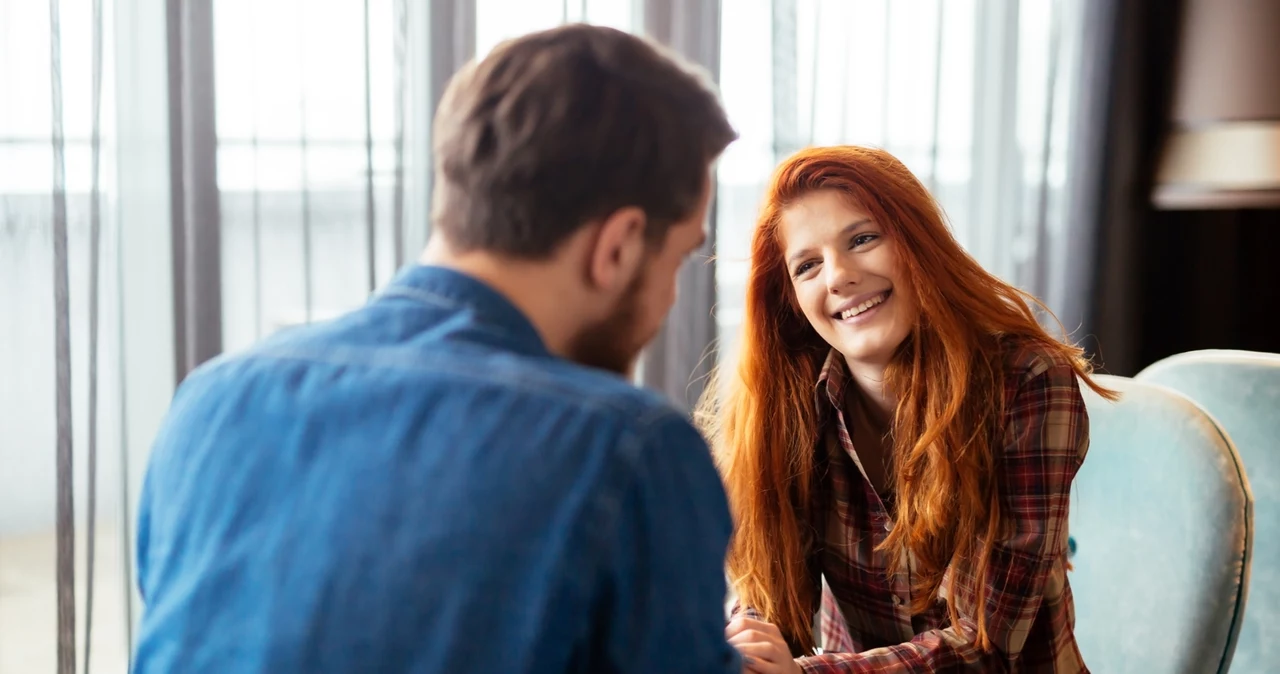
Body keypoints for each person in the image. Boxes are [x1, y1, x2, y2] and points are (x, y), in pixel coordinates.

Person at [131, 24, 740, 673]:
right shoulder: (626, 447)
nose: (674, 297)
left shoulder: (211, 401)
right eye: (679, 258)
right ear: (617, 246)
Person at [704, 145, 1116, 673]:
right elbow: (770, 595)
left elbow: (987, 644)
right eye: (807, 265)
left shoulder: (1028, 380)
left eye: (862, 239)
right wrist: (748, 649)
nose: (838, 276)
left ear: (916, 243)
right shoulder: (786, 406)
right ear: (791, 298)